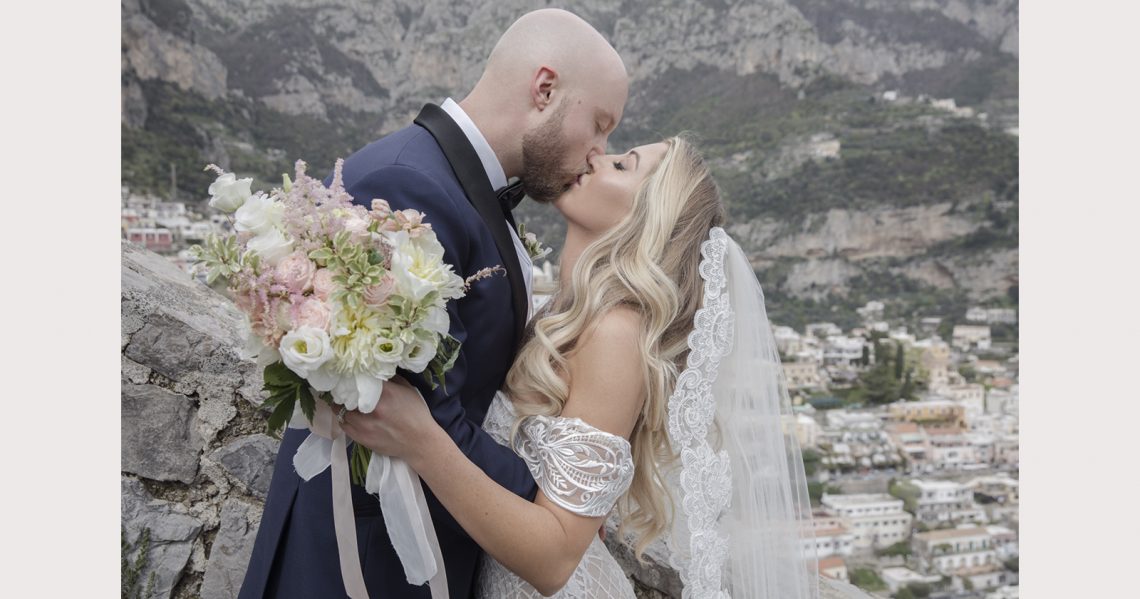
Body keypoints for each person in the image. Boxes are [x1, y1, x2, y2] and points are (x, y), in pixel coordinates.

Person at [238, 9, 629, 599]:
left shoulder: (457, 182)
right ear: (545, 89)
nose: (599, 151)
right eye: (599, 125)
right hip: (359, 563)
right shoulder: (410, 184)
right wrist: (552, 513)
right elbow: (418, 410)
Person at [342, 137, 821, 598]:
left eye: (622, 164)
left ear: (649, 216)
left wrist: (420, 440)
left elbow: (553, 560)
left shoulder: (616, 334)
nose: (597, 155)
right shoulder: (566, 314)